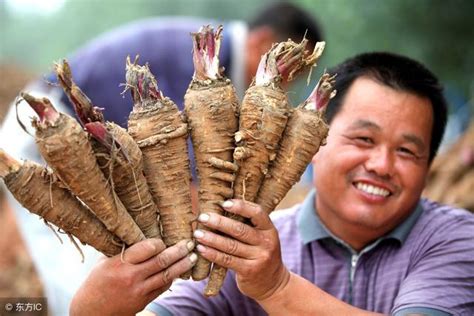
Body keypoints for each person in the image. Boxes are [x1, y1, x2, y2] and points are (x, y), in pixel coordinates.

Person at [70, 52, 474, 315]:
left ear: (429, 165)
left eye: (407, 151)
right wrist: (91, 310)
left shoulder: (456, 239)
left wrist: (277, 286)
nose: (382, 164)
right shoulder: (245, 244)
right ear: (315, 140)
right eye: (363, 139)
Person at [0, 3, 323, 315]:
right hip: (52, 131)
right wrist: (198, 248)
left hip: (93, 140)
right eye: (293, 73)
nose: (287, 83)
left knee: (109, 250)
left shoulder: (214, 64)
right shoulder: (200, 63)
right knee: (73, 262)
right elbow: (180, 169)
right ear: (263, 42)